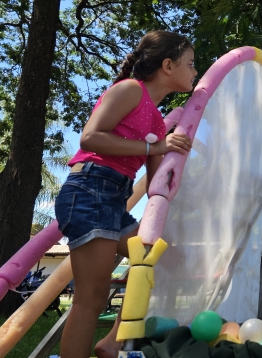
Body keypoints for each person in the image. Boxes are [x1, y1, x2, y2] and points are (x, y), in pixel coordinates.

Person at [55, 31, 196, 358]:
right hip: (90, 188)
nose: (195, 71)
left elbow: (157, 181)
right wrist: (154, 147)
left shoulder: (158, 123)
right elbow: (90, 137)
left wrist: (182, 156)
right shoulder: (131, 90)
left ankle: (112, 342)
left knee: (158, 260)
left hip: (114, 198)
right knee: (91, 298)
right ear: (167, 66)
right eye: (190, 64)